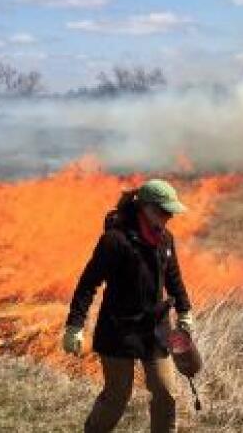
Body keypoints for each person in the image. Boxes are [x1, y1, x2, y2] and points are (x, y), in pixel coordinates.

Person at [63, 178, 195, 433]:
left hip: (156, 330)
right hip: (118, 329)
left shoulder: (165, 240)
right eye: (164, 211)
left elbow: (174, 279)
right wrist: (74, 326)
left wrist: (185, 311)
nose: (169, 216)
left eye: (171, 212)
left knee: (166, 394)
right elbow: (88, 283)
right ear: (145, 208)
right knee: (117, 397)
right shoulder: (115, 241)